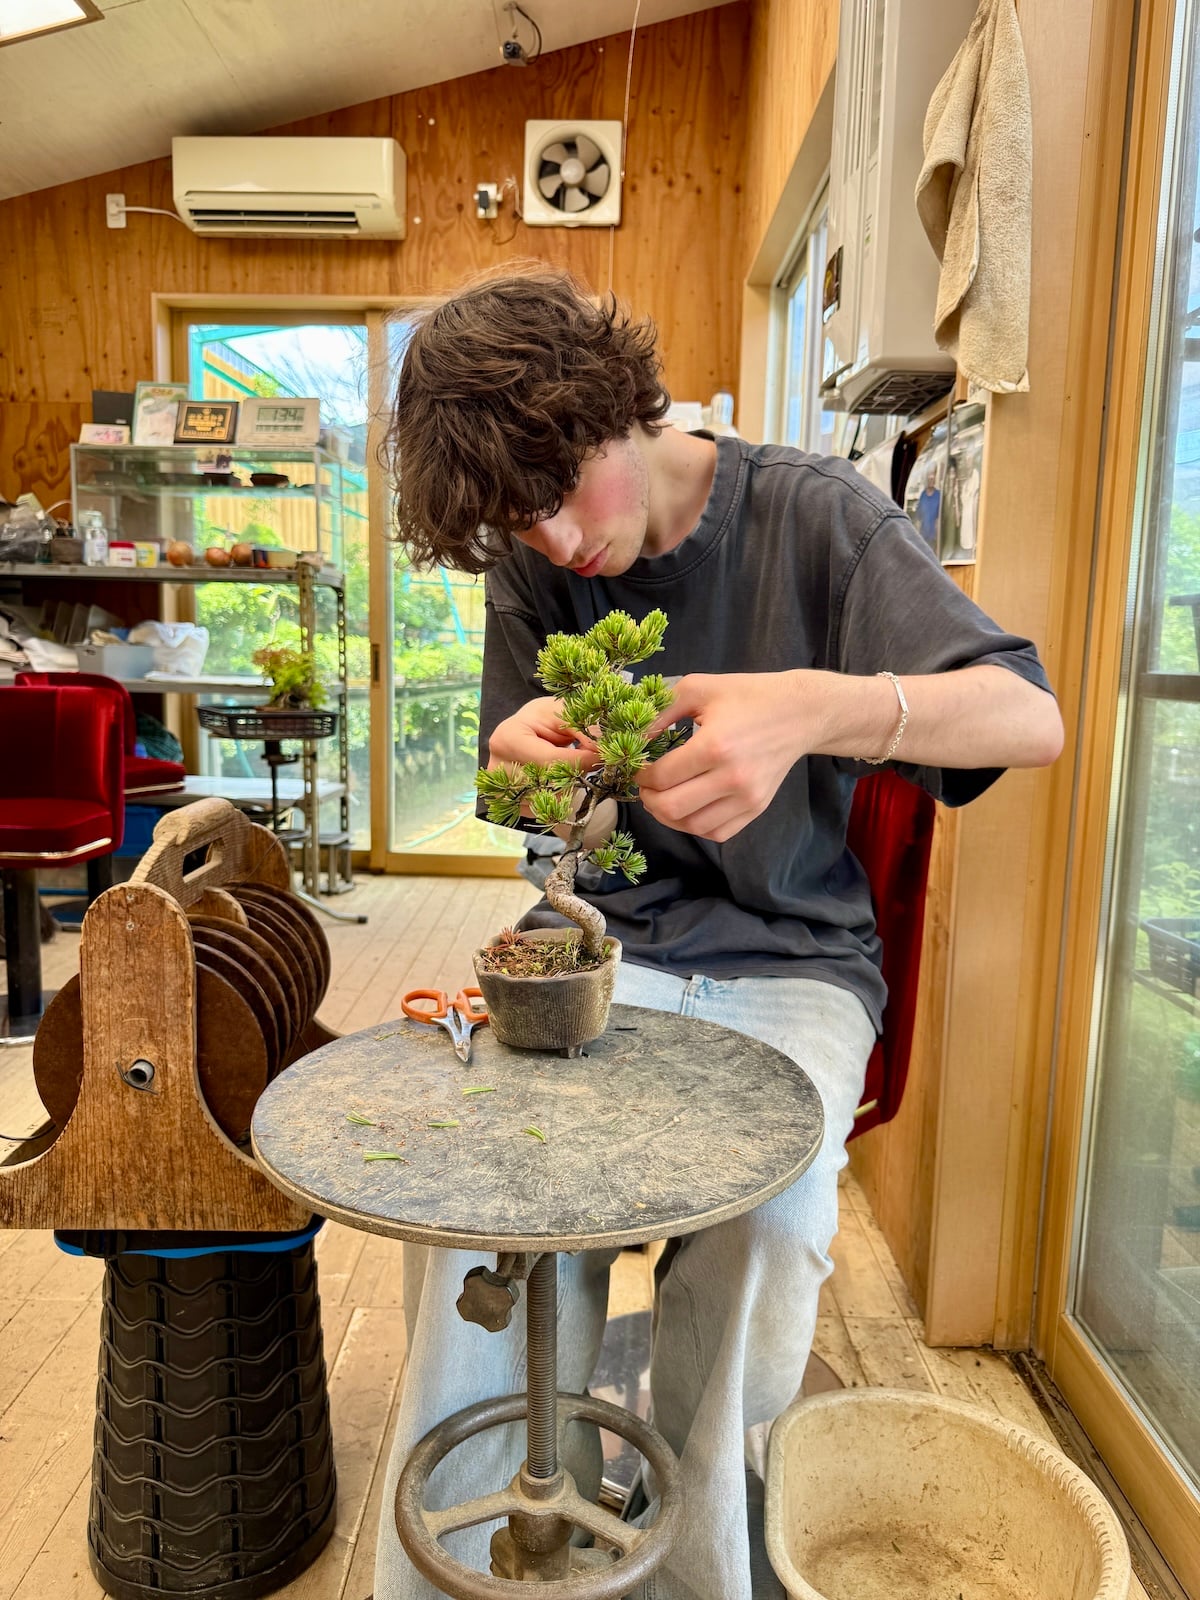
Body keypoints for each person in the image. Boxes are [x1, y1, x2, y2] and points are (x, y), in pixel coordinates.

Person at [377, 266, 1064, 1600]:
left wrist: (817, 706)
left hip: (791, 959)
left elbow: (1027, 717)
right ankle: (496, 1545)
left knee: (766, 1220)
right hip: (600, 947)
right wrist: (526, 774)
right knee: (476, 1211)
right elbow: (526, 804)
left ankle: (684, 1549)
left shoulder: (816, 514)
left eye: (563, 489)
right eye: (518, 524)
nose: (556, 541)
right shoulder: (537, 560)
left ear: (616, 406)